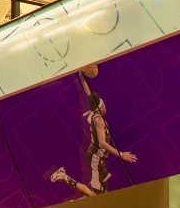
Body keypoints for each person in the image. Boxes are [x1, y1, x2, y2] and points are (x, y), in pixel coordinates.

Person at [50, 67, 135, 196]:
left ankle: (81, 193)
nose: (105, 106)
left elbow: (88, 92)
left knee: (102, 193)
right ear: (99, 106)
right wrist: (121, 154)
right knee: (97, 196)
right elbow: (102, 143)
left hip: (100, 157)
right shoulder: (99, 120)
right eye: (103, 104)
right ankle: (64, 177)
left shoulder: (95, 109)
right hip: (97, 157)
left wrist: (82, 77)